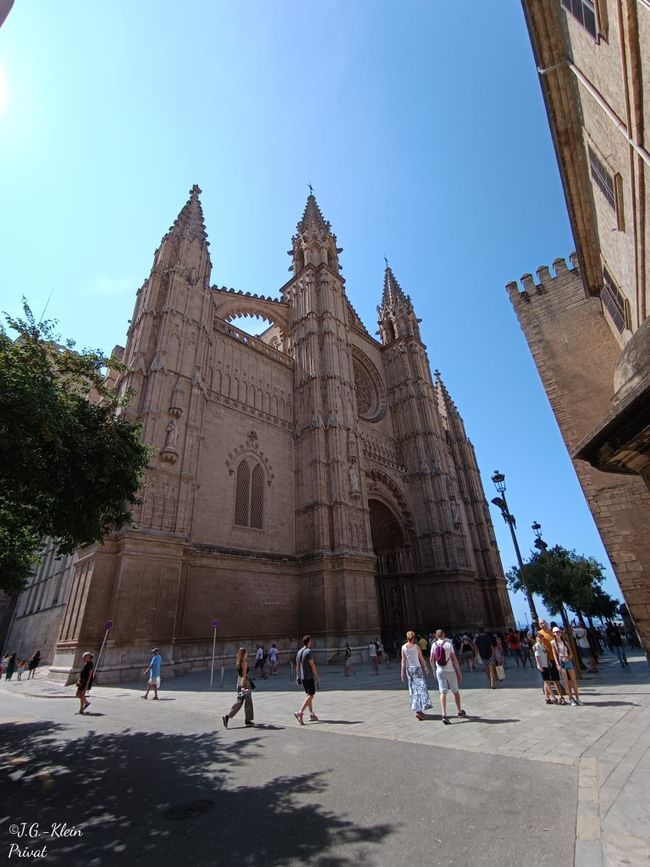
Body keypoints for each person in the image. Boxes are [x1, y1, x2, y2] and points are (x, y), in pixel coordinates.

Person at [431, 629, 466, 724]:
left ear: (436, 636)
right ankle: (459, 711)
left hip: (440, 671)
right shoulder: (448, 644)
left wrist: (434, 670)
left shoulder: (434, 645)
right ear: (444, 635)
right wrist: (458, 671)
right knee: (455, 692)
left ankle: (444, 714)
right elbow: (454, 659)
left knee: (443, 692)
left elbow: (431, 659)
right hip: (450, 671)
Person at [400, 630, 432, 721]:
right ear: (413, 638)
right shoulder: (416, 647)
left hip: (409, 670)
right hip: (417, 669)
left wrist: (402, 672)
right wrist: (426, 667)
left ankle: (418, 710)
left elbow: (403, 661)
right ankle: (419, 710)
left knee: (413, 689)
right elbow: (421, 658)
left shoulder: (403, 647)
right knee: (421, 689)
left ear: (407, 638)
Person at [222, 647, 255, 728]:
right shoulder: (244, 662)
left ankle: (244, 719)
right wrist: (244, 685)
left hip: (239, 681)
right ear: (243, 654)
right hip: (244, 683)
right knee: (247, 702)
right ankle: (230, 717)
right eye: (246, 653)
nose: (247, 654)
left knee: (241, 701)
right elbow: (244, 675)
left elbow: (241, 675)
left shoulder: (239, 662)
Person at [551, 626, 581, 705]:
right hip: (561, 663)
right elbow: (554, 655)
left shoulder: (565, 642)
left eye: (559, 632)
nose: (558, 633)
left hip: (568, 662)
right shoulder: (553, 642)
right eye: (556, 632)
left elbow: (570, 653)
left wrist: (568, 657)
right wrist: (557, 664)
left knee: (573, 681)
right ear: (553, 633)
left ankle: (577, 698)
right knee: (566, 682)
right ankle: (571, 699)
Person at [294, 635, 320, 724]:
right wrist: (316, 675)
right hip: (309, 677)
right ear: (309, 642)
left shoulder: (299, 652)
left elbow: (297, 665)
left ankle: (312, 714)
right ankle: (300, 712)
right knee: (311, 695)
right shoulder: (308, 652)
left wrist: (297, 676)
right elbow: (312, 664)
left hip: (303, 677)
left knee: (308, 695)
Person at [534, 631, 561, 704]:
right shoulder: (537, 646)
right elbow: (537, 656)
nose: (540, 639)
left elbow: (545, 654)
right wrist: (539, 665)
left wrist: (548, 661)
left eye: (541, 637)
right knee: (547, 681)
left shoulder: (542, 645)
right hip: (542, 665)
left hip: (546, 664)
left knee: (546, 680)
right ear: (536, 638)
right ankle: (553, 697)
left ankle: (547, 697)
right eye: (539, 637)